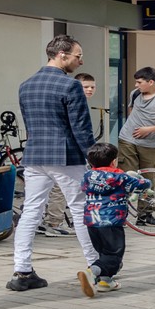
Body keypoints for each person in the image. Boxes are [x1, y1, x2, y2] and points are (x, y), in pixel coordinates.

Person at [9, 35, 97, 292]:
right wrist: (94, 157)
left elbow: (30, 124)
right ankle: (97, 265)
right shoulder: (70, 87)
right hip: (66, 156)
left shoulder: (26, 85)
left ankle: (22, 271)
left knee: (30, 211)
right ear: (62, 55)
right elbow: (81, 128)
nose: (81, 61)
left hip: (35, 155)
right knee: (81, 209)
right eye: (78, 56)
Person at [77, 143, 152, 298]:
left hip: (91, 221)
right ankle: (92, 272)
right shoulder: (120, 177)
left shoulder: (87, 176)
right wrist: (144, 180)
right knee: (114, 255)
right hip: (111, 222)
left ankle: (105, 281)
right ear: (113, 162)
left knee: (103, 252)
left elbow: (83, 188)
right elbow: (142, 184)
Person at [39, 73, 101, 238]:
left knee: (49, 189)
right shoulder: (70, 100)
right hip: (64, 151)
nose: (89, 90)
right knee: (60, 188)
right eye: (85, 87)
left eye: (92, 87)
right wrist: (91, 153)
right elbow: (79, 129)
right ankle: (54, 223)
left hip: (57, 151)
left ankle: (47, 221)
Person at [117, 67, 155, 227]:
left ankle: (145, 215)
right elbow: (132, 112)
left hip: (151, 145)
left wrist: (148, 129)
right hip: (127, 140)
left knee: (148, 180)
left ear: (151, 82)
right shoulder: (135, 94)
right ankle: (119, 213)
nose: (136, 85)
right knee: (127, 177)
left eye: (140, 82)